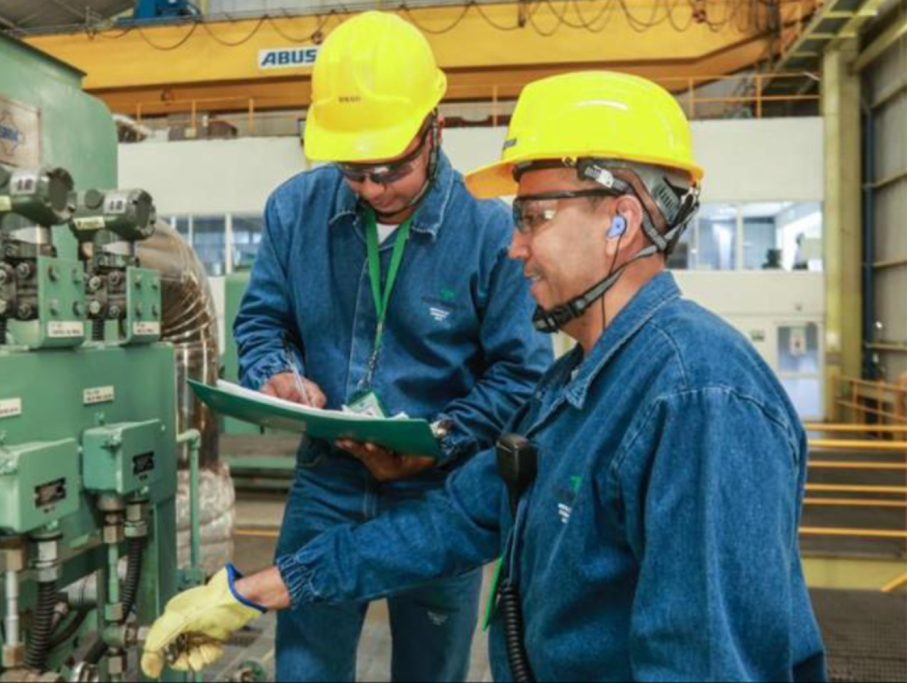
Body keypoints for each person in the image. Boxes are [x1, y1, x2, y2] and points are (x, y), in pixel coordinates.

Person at [143, 71, 827, 682]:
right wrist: (249, 590)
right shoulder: (571, 392)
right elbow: (448, 521)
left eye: (534, 217)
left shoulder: (699, 399)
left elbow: (705, 663)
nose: (513, 245)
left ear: (622, 218)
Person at [185, 11, 551, 682]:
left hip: (439, 494)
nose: (375, 187)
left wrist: (435, 439)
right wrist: (280, 375)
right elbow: (263, 323)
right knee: (305, 668)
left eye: (392, 168)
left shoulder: (489, 233)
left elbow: (521, 374)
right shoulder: (295, 210)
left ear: (434, 130)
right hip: (327, 479)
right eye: (355, 171)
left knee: (431, 670)